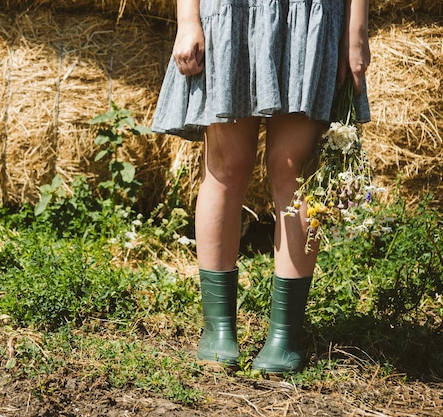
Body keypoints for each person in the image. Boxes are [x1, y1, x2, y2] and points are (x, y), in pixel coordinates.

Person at [151, 0, 371, 373]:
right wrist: (188, 19)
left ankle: (285, 336)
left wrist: (357, 31)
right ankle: (217, 329)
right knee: (226, 166)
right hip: (230, 13)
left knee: (292, 170)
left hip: (309, 15)